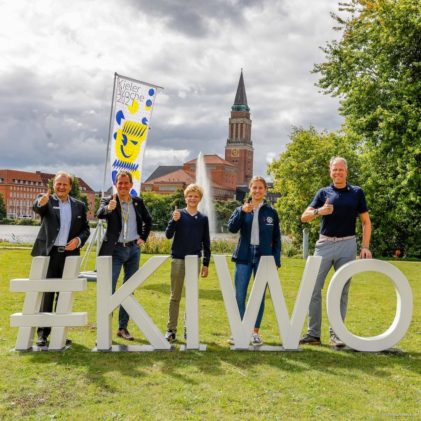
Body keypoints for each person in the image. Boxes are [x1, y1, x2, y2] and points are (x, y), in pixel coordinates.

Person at [299, 156, 372, 347]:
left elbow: (366, 222)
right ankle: (313, 334)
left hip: (347, 244)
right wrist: (319, 211)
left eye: (341, 169)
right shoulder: (323, 192)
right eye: (334, 169)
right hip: (324, 244)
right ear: (330, 172)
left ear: (346, 172)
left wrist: (365, 247)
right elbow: (304, 217)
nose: (337, 172)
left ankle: (337, 335)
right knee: (313, 288)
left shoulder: (356, 192)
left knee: (341, 290)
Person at [32, 171, 90, 347]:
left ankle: (60, 334)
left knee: (64, 295)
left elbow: (86, 229)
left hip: (69, 255)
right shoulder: (46, 200)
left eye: (65, 184)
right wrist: (41, 202)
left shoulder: (79, 206)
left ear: (70, 187)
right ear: (53, 185)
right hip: (49, 254)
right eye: (58, 184)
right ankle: (43, 334)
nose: (61, 187)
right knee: (47, 293)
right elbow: (37, 207)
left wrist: (78, 240)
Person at [97, 170, 152, 341]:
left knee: (129, 289)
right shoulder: (109, 200)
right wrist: (108, 208)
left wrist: (143, 237)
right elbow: (99, 213)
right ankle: (104, 329)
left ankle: (123, 328)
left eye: (125, 183)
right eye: (119, 183)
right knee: (109, 289)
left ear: (131, 185)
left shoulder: (137, 202)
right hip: (115, 250)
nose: (122, 186)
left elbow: (148, 220)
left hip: (133, 250)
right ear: (116, 184)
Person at [228, 176, 281, 346]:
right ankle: (239, 331)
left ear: (265, 190)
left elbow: (277, 239)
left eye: (260, 188)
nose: (257, 191)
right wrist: (242, 212)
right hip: (244, 255)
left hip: (263, 257)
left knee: (258, 296)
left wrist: (276, 261)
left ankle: (254, 332)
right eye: (254, 187)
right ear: (250, 190)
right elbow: (232, 228)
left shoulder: (271, 212)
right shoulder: (241, 209)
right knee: (239, 295)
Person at [164, 184, 210, 343]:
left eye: (195, 196)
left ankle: (189, 329)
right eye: (190, 196)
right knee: (175, 296)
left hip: (194, 261)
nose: (192, 199)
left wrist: (206, 263)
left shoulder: (203, 219)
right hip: (178, 259)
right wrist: (173, 221)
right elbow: (168, 235)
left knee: (191, 296)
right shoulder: (178, 215)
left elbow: (206, 242)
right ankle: (171, 330)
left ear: (200, 199)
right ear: (185, 198)